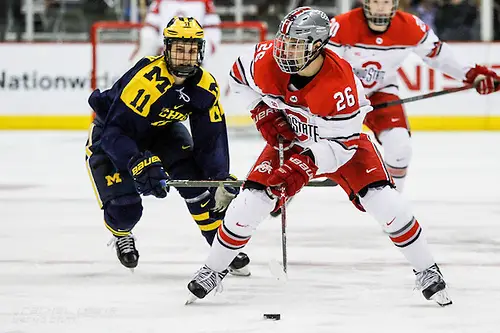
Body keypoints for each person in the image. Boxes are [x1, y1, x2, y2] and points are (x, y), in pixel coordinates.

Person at [186, 7, 452, 307]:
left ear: (316, 46)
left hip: (341, 146)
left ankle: (427, 269)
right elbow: (237, 76)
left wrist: (307, 165)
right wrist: (260, 111)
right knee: (249, 203)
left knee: (386, 203)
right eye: (284, 40)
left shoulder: (340, 84)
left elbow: (344, 145)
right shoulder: (265, 59)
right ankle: (213, 269)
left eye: (295, 44)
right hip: (291, 139)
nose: (284, 49)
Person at [85, 16, 249, 276]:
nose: (185, 57)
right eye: (179, 49)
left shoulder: (205, 86)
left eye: (191, 50)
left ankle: (221, 247)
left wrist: (217, 178)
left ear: (200, 51)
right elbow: (116, 131)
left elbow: (211, 138)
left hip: (163, 132)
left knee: (195, 182)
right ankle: (122, 234)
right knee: (125, 211)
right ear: (167, 49)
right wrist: (136, 161)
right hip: (113, 138)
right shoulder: (146, 80)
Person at [328, 0, 499, 192]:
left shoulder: (410, 26)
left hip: (380, 92)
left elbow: (440, 56)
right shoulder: (342, 25)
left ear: (395, 4)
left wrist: (474, 75)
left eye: (386, 2)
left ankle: (392, 199)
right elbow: (328, 69)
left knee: (400, 146)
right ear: (365, 3)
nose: (381, 7)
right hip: (341, 95)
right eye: (376, 1)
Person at [129, 0, 221, 65]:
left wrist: (197, 54)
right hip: (164, 57)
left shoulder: (205, 3)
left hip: (193, 59)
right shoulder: (160, 2)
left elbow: (213, 34)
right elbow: (150, 28)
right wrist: (153, 45)